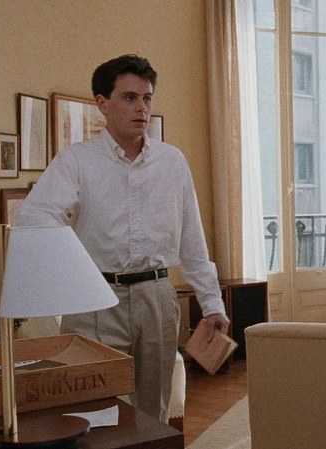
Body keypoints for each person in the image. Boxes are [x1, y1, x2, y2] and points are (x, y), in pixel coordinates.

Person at [19, 54, 229, 421]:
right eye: (129, 98)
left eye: (147, 98)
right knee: (93, 411)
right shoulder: (76, 161)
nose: (141, 108)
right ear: (102, 103)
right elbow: (34, 217)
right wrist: (72, 271)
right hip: (95, 298)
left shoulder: (172, 161)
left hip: (157, 297)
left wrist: (212, 304)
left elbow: (192, 240)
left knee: (153, 413)